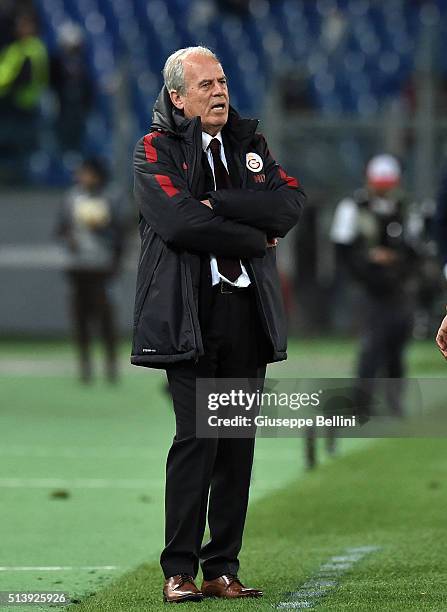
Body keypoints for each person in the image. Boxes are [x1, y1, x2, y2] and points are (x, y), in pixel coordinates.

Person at [131, 46, 305, 603]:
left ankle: (221, 567)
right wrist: (253, 236)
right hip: (190, 315)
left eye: (223, 81)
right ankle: (178, 569)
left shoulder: (249, 143)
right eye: (206, 85)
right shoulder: (153, 149)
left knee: (236, 444)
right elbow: (179, 224)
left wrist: (217, 202)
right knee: (198, 437)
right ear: (178, 97)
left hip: (245, 314)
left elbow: (290, 204)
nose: (220, 92)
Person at [330, 154, 417, 418]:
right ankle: (362, 403)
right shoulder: (352, 206)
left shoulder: (404, 208)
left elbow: (415, 249)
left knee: (396, 345)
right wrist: (367, 265)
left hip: (398, 286)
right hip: (367, 287)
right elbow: (342, 249)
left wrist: (396, 261)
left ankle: (394, 402)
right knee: (371, 345)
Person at [56, 158, 125, 384]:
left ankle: (111, 366)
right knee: (80, 318)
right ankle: (85, 367)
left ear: (97, 175)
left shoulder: (111, 197)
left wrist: (106, 237)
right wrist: (69, 239)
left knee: (105, 318)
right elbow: (60, 229)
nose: (82, 178)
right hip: (78, 267)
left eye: (86, 173)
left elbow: (122, 232)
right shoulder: (71, 197)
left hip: (102, 267)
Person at [0, 10, 48, 183]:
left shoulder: (32, 48)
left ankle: (22, 181)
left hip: (25, 105)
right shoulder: (17, 48)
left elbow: (14, 76)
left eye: (26, 25)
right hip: (12, 106)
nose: (22, 28)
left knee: (23, 145)